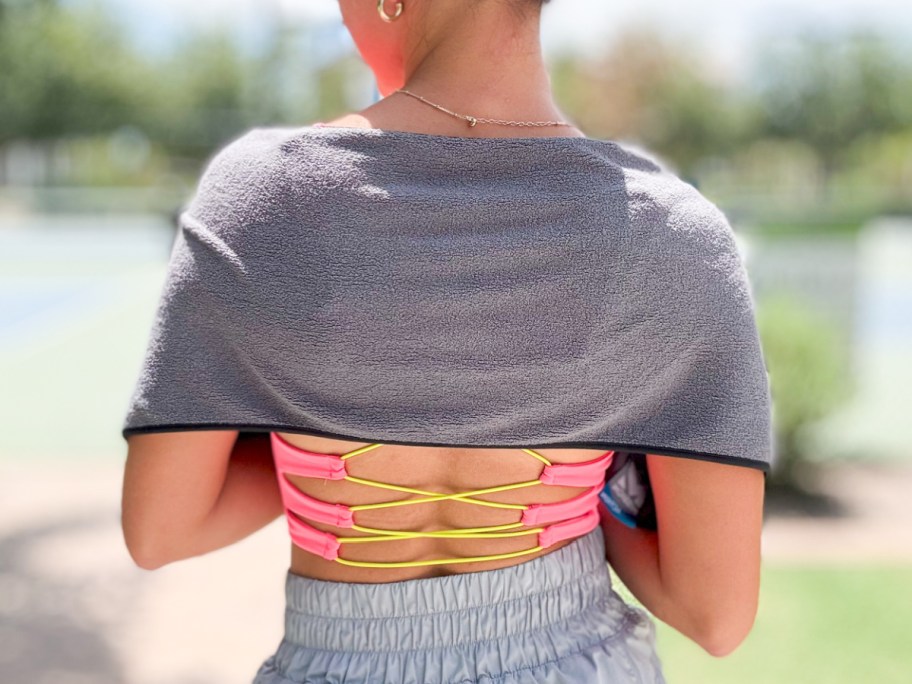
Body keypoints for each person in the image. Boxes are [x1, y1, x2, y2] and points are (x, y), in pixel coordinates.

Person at [120, 1, 769, 682]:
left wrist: (315, 421)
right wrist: (578, 483)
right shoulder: (676, 235)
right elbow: (716, 615)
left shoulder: (263, 195)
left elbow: (163, 529)